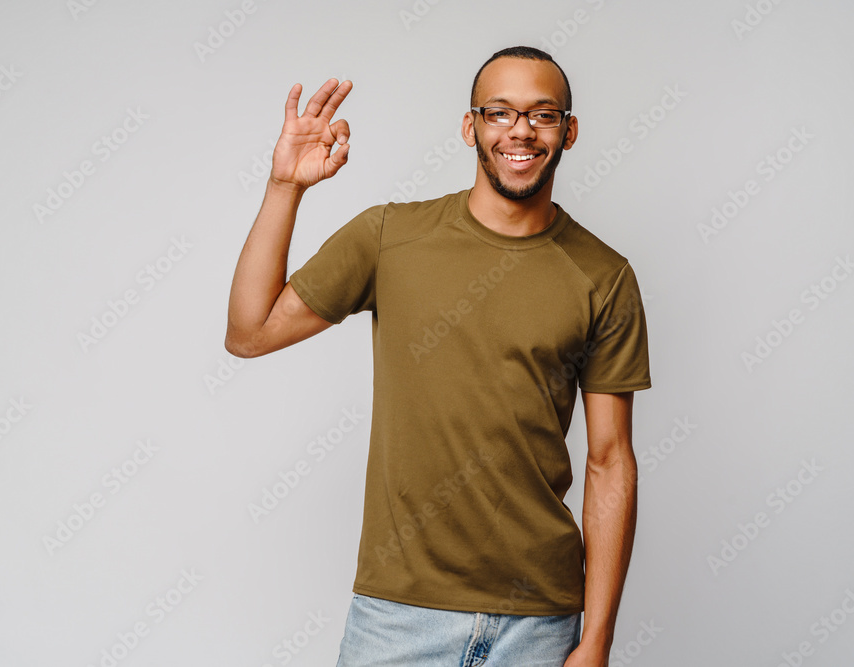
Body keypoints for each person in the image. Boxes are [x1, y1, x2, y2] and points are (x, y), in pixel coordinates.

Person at [226, 46, 651, 667]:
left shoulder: (603, 276)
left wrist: (597, 640)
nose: (520, 131)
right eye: (499, 112)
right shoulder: (389, 237)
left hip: (539, 623)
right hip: (398, 620)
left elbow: (611, 461)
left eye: (543, 114)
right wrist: (284, 186)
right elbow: (250, 332)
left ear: (569, 131)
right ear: (469, 126)